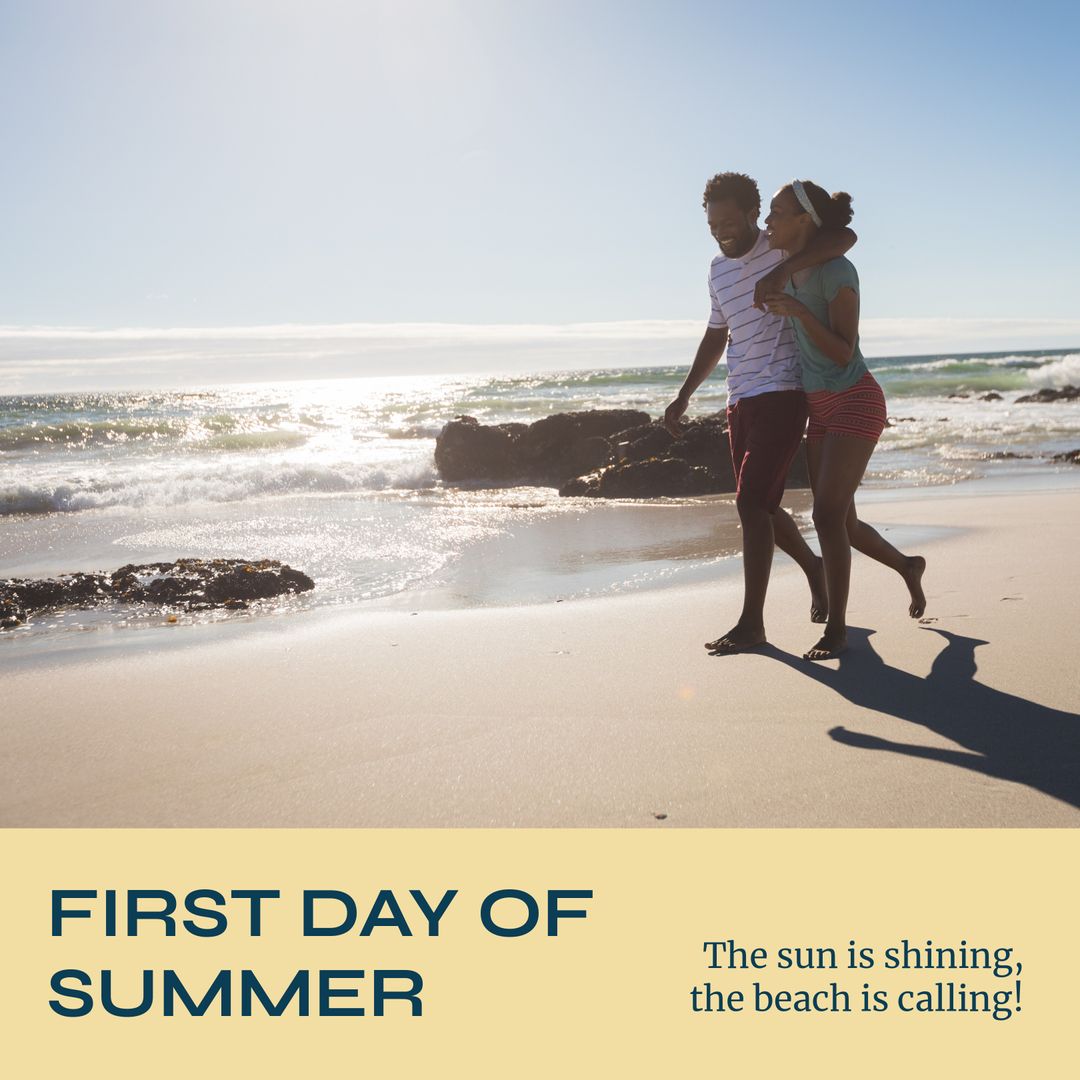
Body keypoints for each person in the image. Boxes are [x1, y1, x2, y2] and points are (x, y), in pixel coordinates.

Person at [664, 171, 855, 654]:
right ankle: (813, 568)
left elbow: (844, 237)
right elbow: (716, 333)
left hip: (785, 391)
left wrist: (776, 271)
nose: (720, 229)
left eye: (729, 220)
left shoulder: (780, 245)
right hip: (740, 397)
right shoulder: (715, 269)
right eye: (712, 222)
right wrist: (685, 394)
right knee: (765, 506)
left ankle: (752, 624)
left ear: (753, 215)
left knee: (750, 504)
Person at [761, 180, 926, 660]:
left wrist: (797, 311)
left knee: (827, 515)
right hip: (820, 408)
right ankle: (908, 566)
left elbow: (842, 350)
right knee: (844, 523)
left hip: (855, 398)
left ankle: (837, 628)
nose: (767, 221)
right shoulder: (785, 268)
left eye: (776, 212)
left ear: (803, 221)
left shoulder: (837, 272)